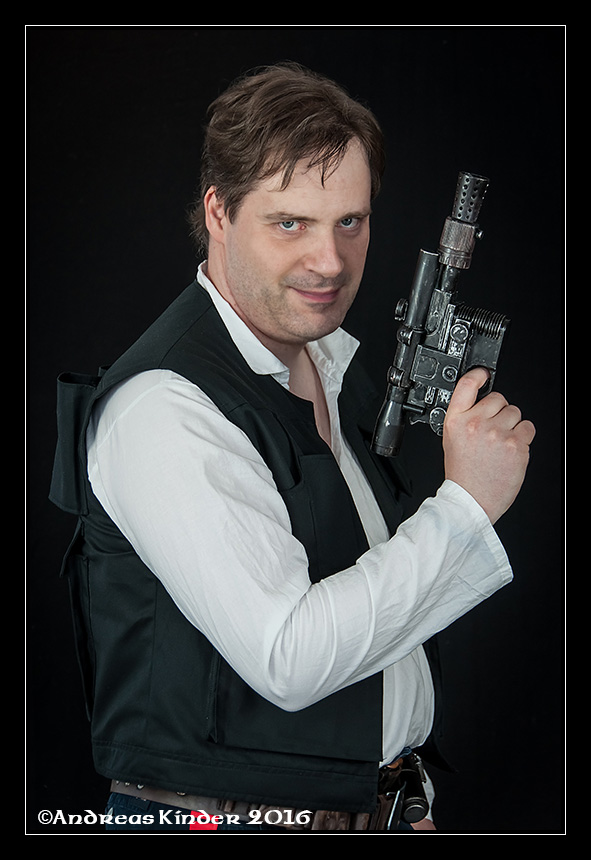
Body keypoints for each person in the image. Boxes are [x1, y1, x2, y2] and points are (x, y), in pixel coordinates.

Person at [49, 62, 535, 832]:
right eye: (290, 224)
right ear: (218, 211)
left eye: (349, 222)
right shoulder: (166, 407)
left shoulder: (332, 366)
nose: (330, 262)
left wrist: (394, 793)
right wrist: (466, 505)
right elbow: (289, 657)